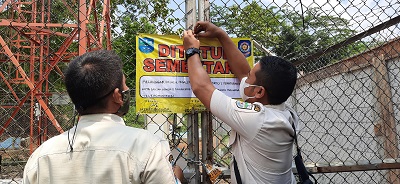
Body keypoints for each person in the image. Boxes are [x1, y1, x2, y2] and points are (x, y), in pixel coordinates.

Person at [23, 50, 184, 184]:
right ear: (117, 96)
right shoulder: (147, 146)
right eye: (125, 85)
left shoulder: (41, 155)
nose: (126, 89)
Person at [183, 22, 299, 184]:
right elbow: (243, 72)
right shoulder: (286, 113)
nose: (246, 77)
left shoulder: (258, 120)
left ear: (259, 92)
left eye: (251, 75)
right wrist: (220, 34)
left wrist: (191, 50)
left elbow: (202, 87)